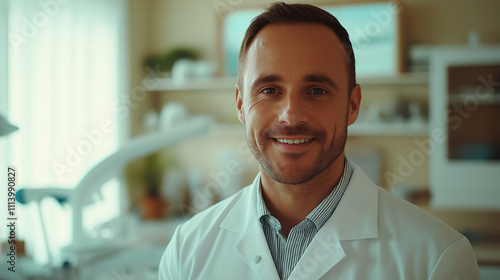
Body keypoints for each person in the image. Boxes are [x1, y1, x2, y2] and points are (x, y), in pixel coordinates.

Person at [158, 2, 480, 279]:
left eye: (317, 91)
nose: (291, 115)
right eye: (269, 90)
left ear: (353, 105)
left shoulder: (437, 258)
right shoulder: (187, 251)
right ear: (241, 105)